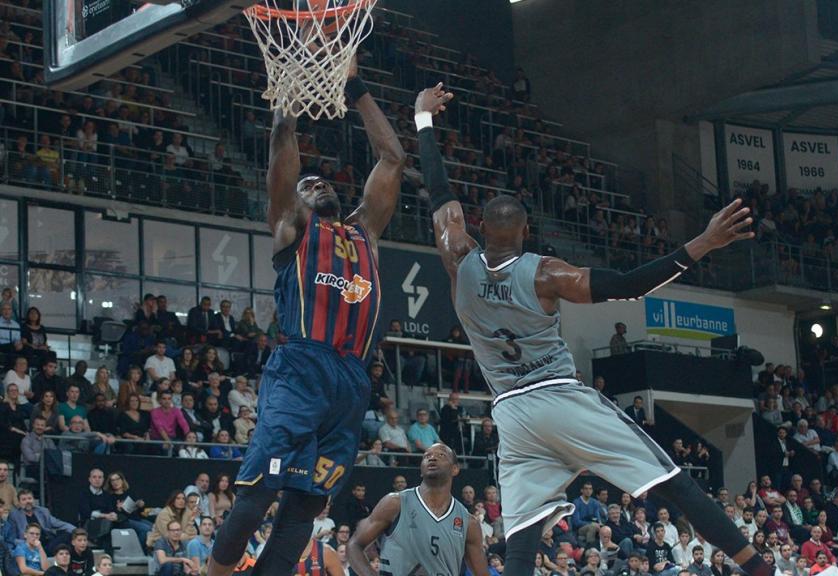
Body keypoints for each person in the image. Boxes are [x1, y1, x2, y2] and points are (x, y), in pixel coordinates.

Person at [420, 82, 764, 576]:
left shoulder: (457, 258)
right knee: (672, 481)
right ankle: (760, 569)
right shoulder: (544, 273)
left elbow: (439, 190)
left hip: (511, 414)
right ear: (526, 232)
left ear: (479, 226)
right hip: (559, 396)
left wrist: (423, 120)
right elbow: (630, 285)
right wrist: (703, 243)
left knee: (520, 533)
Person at [209, 64, 407, 576]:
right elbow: (282, 142)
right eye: (308, 183)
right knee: (259, 491)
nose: (316, 183)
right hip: (300, 367)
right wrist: (288, 93)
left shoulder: (366, 233)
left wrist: (355, 84)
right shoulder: (294, 229)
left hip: (351, 382)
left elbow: (393, 157)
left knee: (307, 506)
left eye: (322, 181)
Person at [349, 443, 488, 576]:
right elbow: (354, 545)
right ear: (421, 470)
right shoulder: (395, 503)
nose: (432, 458)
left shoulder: (468, 522)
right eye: (427, 456)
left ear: (455, 469)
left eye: (441, 455)